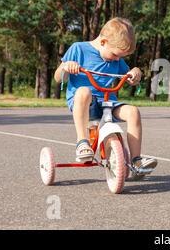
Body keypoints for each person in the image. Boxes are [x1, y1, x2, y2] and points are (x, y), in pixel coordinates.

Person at [53, 17, 157, 179]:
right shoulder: (78, 49)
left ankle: (136, 161)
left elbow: (128, 75)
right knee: (84, 91)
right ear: (103, 42)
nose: (117, 60)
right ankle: (82, 142)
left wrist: (135, 73)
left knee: (133, 112)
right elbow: (58, 77)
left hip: (108, 102)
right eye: (115, 55)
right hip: (84, 102)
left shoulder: (116, 58)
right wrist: (66, 67)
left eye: (120, 57)